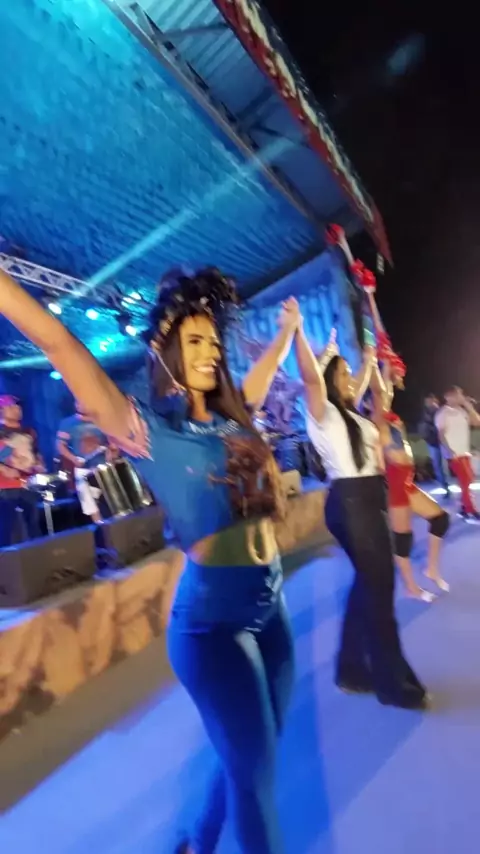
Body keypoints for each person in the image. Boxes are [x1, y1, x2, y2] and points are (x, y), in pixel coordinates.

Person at [0, 264, 300, 854]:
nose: (210, 353)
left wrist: (289, 331)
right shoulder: (144, 428)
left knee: (254, 753)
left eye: (213, 341)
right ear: (166, 347)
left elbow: (262, 372)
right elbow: (58, 341)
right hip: (212, 625)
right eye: (195, 341)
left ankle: (197, 841)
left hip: (271, 605)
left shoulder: (234, 416)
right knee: (257, 775)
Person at [293, 323, 429, 710]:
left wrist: (371, 363)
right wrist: (298, 331)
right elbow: (311, 379)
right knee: (380, 591)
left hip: (367, 500)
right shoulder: (323, 415)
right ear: (329, 379)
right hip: (351, 503)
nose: (350, 378)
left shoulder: (354, 415)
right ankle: (392, 684)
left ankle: (351, 669)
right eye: (343, 374)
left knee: (368, 585)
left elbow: (374, 395)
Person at [370, 363, 450, 597]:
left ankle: (431, 569)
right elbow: (380, 391)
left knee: (440, 519)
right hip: (396, 485)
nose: (386, 395)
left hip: (407, 481)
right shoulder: (378, 419)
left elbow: (385, 391)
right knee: (403, 539)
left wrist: (389, 371)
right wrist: (377, 365)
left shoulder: (387, 413)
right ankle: (411, 587)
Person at [56, 401, 115, 523]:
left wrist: (112, 453)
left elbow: (113, 441)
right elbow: (60, 445)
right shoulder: (67, 423)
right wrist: (73, 459)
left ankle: (119, 524)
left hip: (104, 467)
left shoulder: (101, 420)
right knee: (90, 503)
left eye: (83, 402)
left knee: (111, 499)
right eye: (77, 402)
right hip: (83, 470)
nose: (80, 405)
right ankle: (100, 526)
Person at [0, 395, 44, 546]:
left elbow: (36, 453)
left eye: (18, 406)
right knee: (10, 528)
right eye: (11, 406)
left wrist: (39, 464)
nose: (17, 409)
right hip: (6, 487)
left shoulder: (29, 431)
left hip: (28, 483)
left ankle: (38, 553)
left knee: (33, 523)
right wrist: (5, 469)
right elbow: (3, 456)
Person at [435, 387, 480, 521]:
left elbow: (477, 422)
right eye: (458, 395)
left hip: (464, 451)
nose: (461, 397)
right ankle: (470, 510)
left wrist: (468, 406)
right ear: (449, 396)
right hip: (454, 454)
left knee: (468, 479)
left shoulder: (462, 411)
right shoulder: (443, 413)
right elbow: (441, 435)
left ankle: (464, 507)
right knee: (466, 479)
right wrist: (449, 450)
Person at [419, 393, 449, 496]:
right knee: (438, 466)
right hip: (432, 442)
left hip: (443, 442)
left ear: (435, 400)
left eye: (430, 401)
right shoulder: (425, 413)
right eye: (427, 401)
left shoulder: (440, 411)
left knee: (445, 466)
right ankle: (445, 487)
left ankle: (447, 485)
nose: (428, 403)